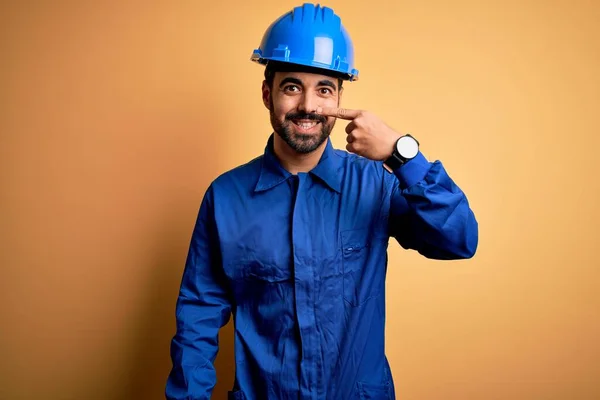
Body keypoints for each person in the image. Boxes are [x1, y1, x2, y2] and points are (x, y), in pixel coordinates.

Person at [165, 3, 478, 400]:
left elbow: (459, 241)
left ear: (340, 97)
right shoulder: (225, 197)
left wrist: (404, 155)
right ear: (268, 93)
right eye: (292, 86)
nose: (309, 106)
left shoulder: (377, 185)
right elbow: (198, 314)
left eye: (324, 89)